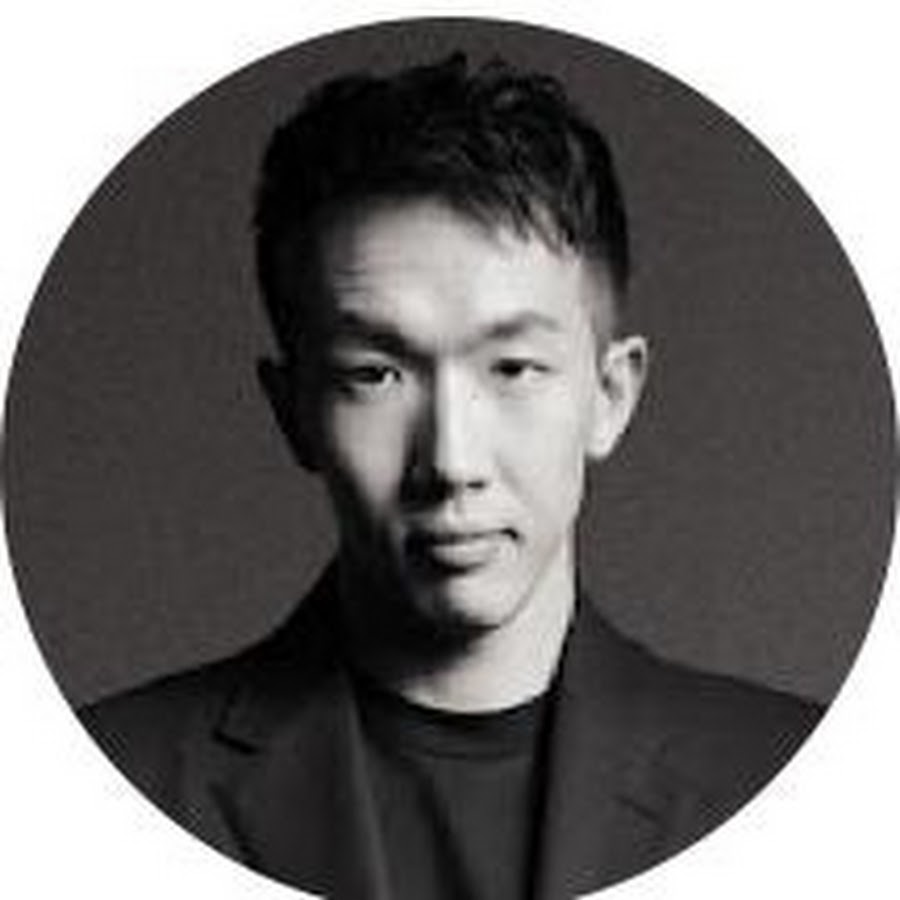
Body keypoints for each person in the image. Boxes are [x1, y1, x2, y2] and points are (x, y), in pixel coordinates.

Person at [79, 54, 823, 900]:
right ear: (293, 412)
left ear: (610, 396)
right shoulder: (109, 788)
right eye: (374, 375)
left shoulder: (806, 787)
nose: (451, 463)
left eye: (513, 368)